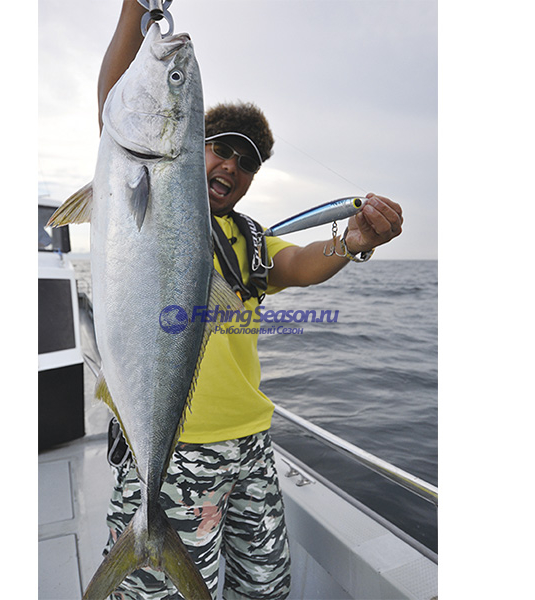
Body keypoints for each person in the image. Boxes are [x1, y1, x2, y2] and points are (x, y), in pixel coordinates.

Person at [98, 3, 404, 599]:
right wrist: (137, 7)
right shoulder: (139, 184)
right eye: (220, 148)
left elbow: (302, 263)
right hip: (173, 450)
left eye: (248, 163)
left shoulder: (252, 240)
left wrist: (353, 242)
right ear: (191, 143)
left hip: (251, 445)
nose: (231, 166)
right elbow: (119, 103)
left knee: (264, 587)